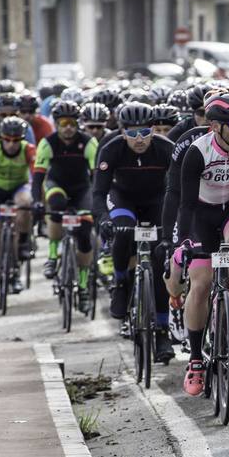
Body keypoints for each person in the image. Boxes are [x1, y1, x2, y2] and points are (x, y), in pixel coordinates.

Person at [174, 93, 229, 397]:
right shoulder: (197, 152)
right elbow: (185, 204)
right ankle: (196, 359)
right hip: (202, 215)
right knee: (201, 282)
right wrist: (184, 240)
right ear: (215, 126)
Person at [92, 102, 175, 361]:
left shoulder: (166, 149)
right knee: (124, 232)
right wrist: (104, 219)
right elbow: (98, 193)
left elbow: (178, 191)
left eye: (145, 133)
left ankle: (162, 331)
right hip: (123, 199)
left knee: (160, 257)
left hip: (157, 201)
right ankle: (120, 283)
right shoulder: (111, 149)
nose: (139, 139)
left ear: (153, 130)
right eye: (132, 133)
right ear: (122, 131)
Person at [32, 101, 98, 315]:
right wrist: (36, 202)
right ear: (57, 124)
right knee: (56, 207)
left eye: (72, 123)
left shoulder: (88, 143)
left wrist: (98, 204)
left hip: (81, 190)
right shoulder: (47, 143)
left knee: (85, 235)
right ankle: (52, 257)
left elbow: (96, 177)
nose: (68, 127)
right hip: (56, 185)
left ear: (77, 124)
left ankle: (83, 285)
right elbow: (38, 176)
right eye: (63, 123)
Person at [0, 117, 36, 301]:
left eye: (16, 140)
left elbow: (36, 174)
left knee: (25, 203)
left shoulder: (28, 149)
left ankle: (22, 249)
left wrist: (38, 199)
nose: (11, 144)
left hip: (18, 187)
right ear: (2, 137)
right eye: (7, 139)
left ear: (22, 139)